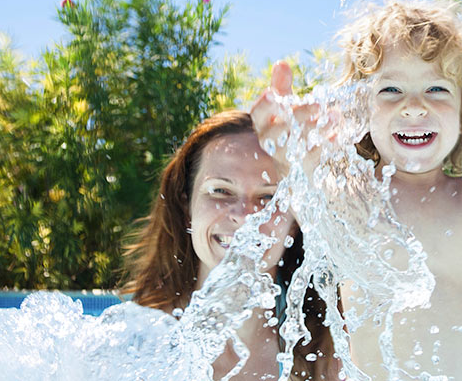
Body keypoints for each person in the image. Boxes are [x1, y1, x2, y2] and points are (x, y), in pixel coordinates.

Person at [251, 0, 462, 379]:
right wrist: (287, 144)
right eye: (390, 90)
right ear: (359, 108)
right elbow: (307, 190)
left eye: (436, 89)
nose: (414, 106)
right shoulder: (353, 196)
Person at [122, 110, 339, 380]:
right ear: (186, 206)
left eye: (268, 196)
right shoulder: (137, 345)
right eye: (221, 191)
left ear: (295, 221)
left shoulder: (325, 353)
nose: (245, 215)